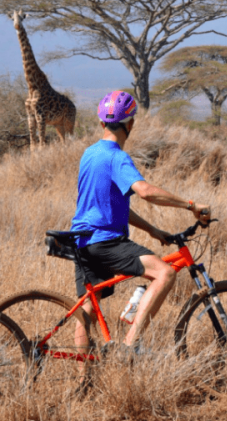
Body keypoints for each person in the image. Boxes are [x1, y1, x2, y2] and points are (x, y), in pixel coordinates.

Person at [71, 91, 210, 354]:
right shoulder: (117, 157)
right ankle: (130, 347)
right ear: (130, 124)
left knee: (88, 308)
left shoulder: (89, 154)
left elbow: (110, 205)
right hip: (105, 242)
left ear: (102, 123)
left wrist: (152, 230)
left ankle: (82, 379)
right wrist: (190, 205)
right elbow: (145, 191)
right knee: (165, 273)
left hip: (81, 241)